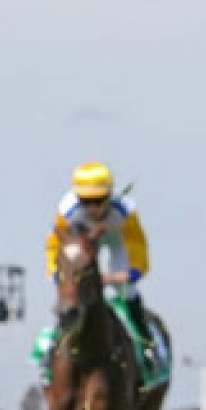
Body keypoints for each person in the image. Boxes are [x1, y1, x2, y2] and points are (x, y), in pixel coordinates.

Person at [36, 162, 165, 387]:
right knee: (69, 298)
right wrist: (60, 277)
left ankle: (147, 346)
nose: (92, 208)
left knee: (128, 293)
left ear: (109, 196)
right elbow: (55, 247)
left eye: (98, 200)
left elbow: (137, 250)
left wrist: (120, 276)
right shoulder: (67, 211)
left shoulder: (125, 211)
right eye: (86, 201)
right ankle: (52, 349)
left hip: (118, 242)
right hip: (78, 243)